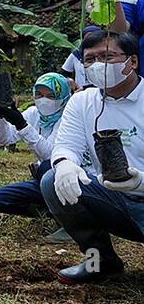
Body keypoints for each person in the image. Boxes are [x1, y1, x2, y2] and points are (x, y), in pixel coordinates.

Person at [41, 29, 144, 284]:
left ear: (132, 61)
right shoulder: (82, 102)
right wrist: (65, 164)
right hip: (113, 196)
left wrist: (141, 182)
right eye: (90, 59)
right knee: (52, 181)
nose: (98, 65)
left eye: (107, 57)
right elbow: (66, 145)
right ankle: (100, 260)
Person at [0, 73, 76, 239]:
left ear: (63, 96)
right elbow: (5, 139)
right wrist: (0, 115)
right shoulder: (34, 113)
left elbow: (52, 154)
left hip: (71, 178)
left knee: (46, 166)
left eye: (51, 96)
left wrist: (22, 124)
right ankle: (53, 212)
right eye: (39, 95)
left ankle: (74, 220)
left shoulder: (70, 116)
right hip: (46, 180)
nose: (44, 100)